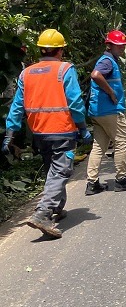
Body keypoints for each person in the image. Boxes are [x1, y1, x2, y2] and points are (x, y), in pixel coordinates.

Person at [2, 29, 92, 238]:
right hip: (62, 130)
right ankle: (43, 213)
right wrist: (83, 127)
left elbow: (17, 106)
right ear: (60, 51)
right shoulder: (64, 70)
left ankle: (57, 209)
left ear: (41, 49)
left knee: (52, 168)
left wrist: (9, 134)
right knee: (61, 171)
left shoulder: (27, 73)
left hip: (39, 132)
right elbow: (75, 102)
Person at [86, 29, 126, 194]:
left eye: (123, 46)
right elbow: (95, 75)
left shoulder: (108, 60)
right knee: (122, 142)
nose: (122, 49)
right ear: (109, 45)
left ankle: (92, 183)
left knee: (99, 146)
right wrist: (111, 92)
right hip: (110, 110)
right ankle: (121, 180)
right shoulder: (107, 61)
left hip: (98, 112)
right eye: (118, 46)